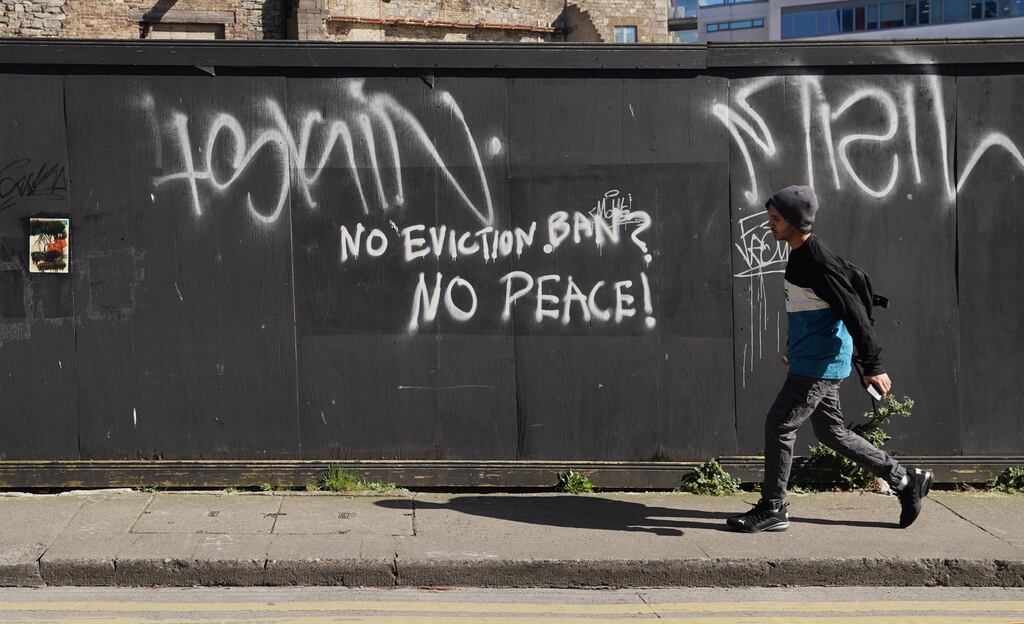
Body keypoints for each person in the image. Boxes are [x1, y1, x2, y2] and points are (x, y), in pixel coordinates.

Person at [727, 185, 933, 533]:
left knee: (780, 425)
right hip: (812, 357)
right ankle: (905, 479)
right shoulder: (800, 255)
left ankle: (773, 507)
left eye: (775, 219)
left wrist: (873, 365)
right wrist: (793, 346)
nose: (769, 224)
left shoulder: (817, 261)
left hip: (820, 363)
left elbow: (854, 312)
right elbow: (809, 309)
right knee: (831, 432)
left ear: (794, 221)